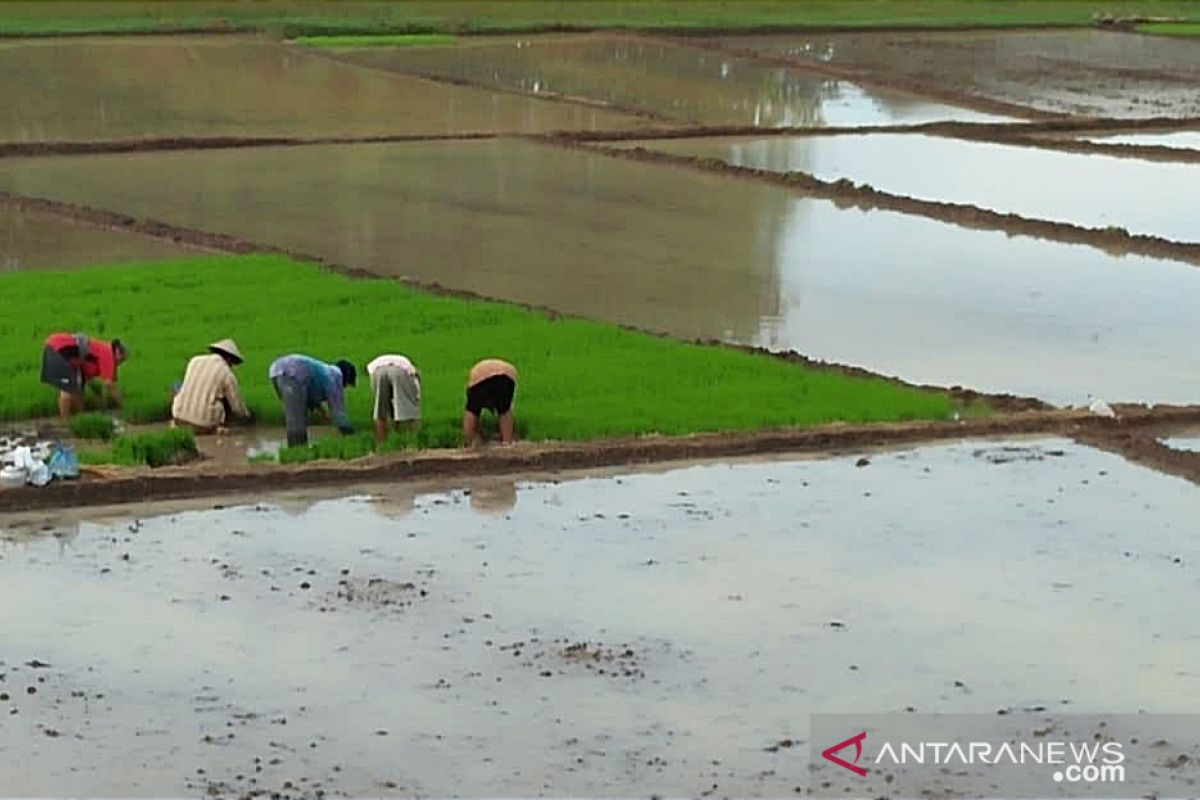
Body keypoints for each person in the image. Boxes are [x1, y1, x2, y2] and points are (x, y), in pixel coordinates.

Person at [268, 354, 356, 447]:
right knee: (297, 421)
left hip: (275, 371)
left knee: (293, 414)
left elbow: (310, 400)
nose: (344, 388)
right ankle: (298, 451)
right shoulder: (335, 377)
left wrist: (323, 414)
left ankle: (296, 449)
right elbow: (338, 412)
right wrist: (349, 432)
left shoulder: (323, 373)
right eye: (346, 385)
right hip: (294, 373)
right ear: (346, 378)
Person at [171, 338, 252, 435]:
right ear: (229, 359)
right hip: (204, 423)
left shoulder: (194, 360)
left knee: (177, 385)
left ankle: (178, 419)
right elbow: (237, 408)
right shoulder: (226, 373)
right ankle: (219, 426)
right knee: (225, 396)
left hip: (178, 417)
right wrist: (247, 416)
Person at [40, 332, 127, 420]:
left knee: (78, 389)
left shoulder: (98, 351)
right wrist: (123, 405)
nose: (120, 363)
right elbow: (109, 384)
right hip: (60, 349)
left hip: (61, 351)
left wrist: (98, 396)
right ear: (117, 352)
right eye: (122, 359)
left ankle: (80, 418)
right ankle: (65, 421)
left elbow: (86, 380)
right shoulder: (108, 354)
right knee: (67, 389)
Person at [463, 358, 518, 447]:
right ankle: (507, 442)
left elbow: (472, 415)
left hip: (480, 377)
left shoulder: (472, 387)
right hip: (508, 375)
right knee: (504, 410)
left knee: (472, 410)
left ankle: (468, 444)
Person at [366, 354, 421, 442]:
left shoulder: (381, 361)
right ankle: (414, 441)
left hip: (377, 370)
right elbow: (414, 395)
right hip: (400, 371)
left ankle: (381, 443)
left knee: (380, 411)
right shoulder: (411, 370)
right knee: (411, 410)